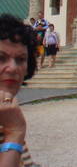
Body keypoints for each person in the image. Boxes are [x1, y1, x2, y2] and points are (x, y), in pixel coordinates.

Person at [0, 13, 39, 166]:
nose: (13, 68)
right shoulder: (12, 124)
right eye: (1, 58)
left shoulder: (7, 115)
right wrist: (15, 134)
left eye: (21, 59)